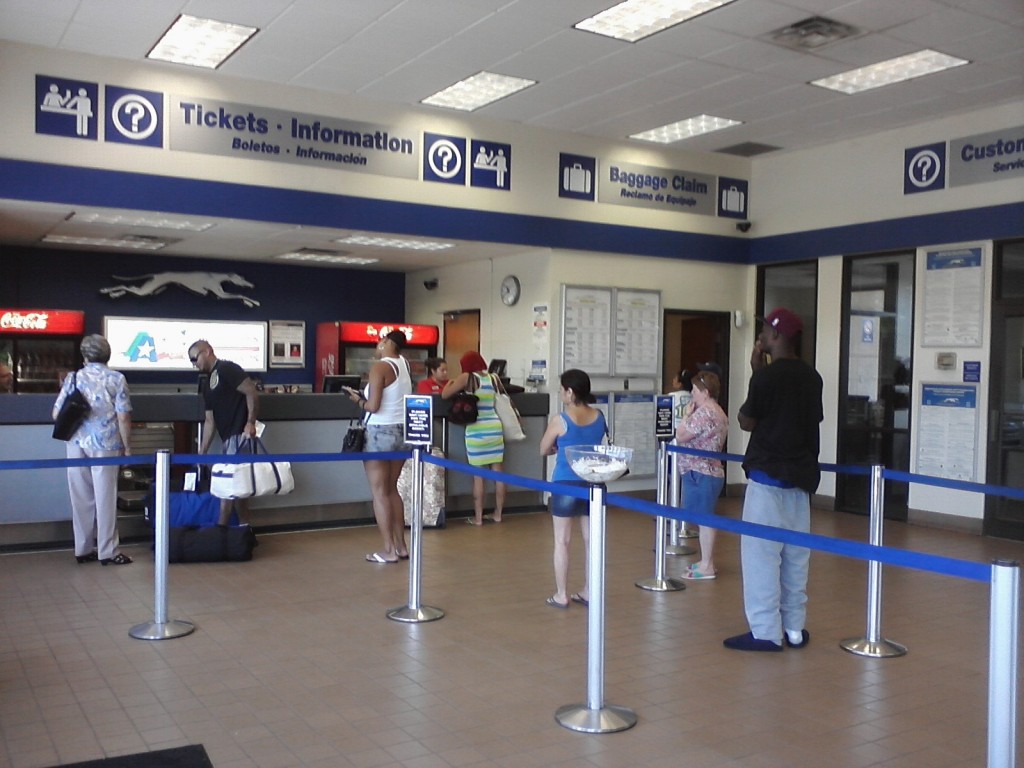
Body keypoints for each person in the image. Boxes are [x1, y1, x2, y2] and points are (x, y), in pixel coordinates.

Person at [724, 308, 823, 652]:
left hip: (767, 479)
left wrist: (756, 375)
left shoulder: (766, 378)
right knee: (796, 558)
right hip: (801, 481)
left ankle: (766, 631)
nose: (762, 335)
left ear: (777, 336)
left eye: (766, 330)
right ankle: (794, 629)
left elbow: (747, 421)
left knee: (761, 557)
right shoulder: (812, 377)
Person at [52, 334, 133, 565]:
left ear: (85, 355)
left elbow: (56, 413)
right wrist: (128, 448)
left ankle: (83, 548)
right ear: (107, 354)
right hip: (105, 445)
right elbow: (124, 416)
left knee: (81, 496)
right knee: (105, 497)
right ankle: (108, 551)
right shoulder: (116, 379)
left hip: (76, 443)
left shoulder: (73, 378)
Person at [539, 369, 608, 609]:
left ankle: (561, 594)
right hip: (594, 482)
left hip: (566, 482)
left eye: (562, 389)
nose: (560, 393)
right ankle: (590, 590)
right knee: (592, 540)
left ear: (570, 391)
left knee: (562, 540)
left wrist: (556, 448)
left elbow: (543, 448)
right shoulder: (599, 416)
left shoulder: (561, 419)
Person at [344, 330, 411, 563]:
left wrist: (356, 399)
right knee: (392, 489)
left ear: (386, 342)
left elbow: (372, 406)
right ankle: (402, 546)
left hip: (380, 433)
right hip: (403, 432)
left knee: (379, 492)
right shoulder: (404, 364)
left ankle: (388, 550)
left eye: (379, 342)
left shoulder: (380, 368)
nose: (377, 346)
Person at [188, 339, 259, 527]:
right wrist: (202, 451)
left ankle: (221, 527)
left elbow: (251, 391)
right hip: (229, 438)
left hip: (240, 436)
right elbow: (210, 420)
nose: (194, 364)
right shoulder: (207, 384)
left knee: (230, 484)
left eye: (195, 358)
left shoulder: (227, 369)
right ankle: (244, 528)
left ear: (207, 352)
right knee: (239, 486)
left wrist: (250, 422)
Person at [675, 370, 729, 580]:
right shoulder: (719, 411)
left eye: (695, 389)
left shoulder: (705, 412)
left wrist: (687, 414)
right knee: (703, 517)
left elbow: (680, 436)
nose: (692, 393)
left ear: (705, 392)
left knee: (704, 518)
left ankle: (708, 564)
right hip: (711, 470)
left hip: (700, 472)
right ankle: (705, 561)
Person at [442, 350, 505, 525]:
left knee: (478, 476)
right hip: (495, 427)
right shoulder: (494, 378)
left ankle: (478, 518)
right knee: (499, 474)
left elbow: (445, 394)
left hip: (476, 429)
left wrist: (451, 382)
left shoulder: (466, 377)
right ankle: (498, 514)